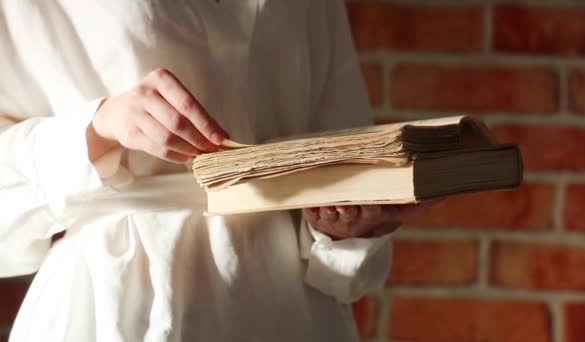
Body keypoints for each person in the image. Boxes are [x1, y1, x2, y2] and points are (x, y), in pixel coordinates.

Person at [0, 1, 431, 341]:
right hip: (117, 300)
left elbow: (339, 134)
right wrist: (99, 127)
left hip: (288, 307)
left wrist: (343, 229)